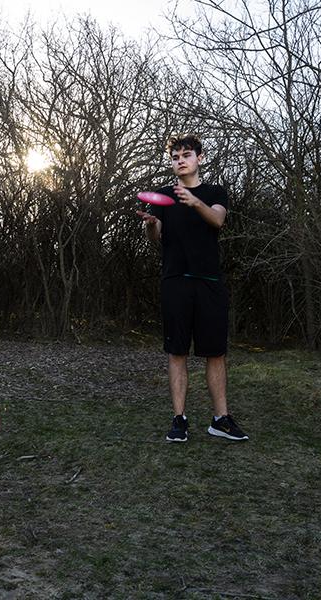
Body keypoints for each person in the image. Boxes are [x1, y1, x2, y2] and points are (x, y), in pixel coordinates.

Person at [137, 134, 248, 443]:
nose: (180, 160)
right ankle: (179, 420)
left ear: (199, 157)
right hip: (175, 282)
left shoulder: (215, 192)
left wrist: (194, 201)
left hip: (210, 283)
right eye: (175, 157)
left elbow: (218, 220)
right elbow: (155, 236)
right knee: (177, 352)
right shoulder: (163, 196)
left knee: (215, 353)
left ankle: (220, 419)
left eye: (186, 154)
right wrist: (149, 224)